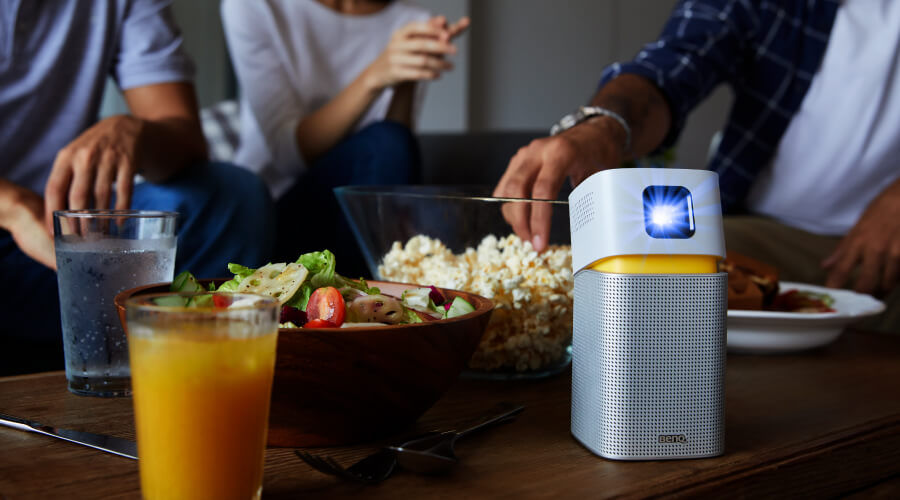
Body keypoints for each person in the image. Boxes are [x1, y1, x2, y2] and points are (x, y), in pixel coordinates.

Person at [493, 0, 900, 331]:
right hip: (767, 228)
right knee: (622, 280)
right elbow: (674, 65)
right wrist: (603, 127)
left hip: (883, 253)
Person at [0, 0, 276, 375]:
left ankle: (186, 378)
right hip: (23, 226)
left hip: (66, 236)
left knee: (231, 197)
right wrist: (14, 206)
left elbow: (186, 138)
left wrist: (135, 131)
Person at [222, 0, 469, 277]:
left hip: (356, 205)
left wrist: (406, 76)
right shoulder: (255, 6)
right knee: (386, 148)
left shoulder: (411, 21)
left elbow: (394, 157)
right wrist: (375, 75)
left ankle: (362, 301)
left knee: (392, 147)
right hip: (270, 214)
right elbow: (289, 156)